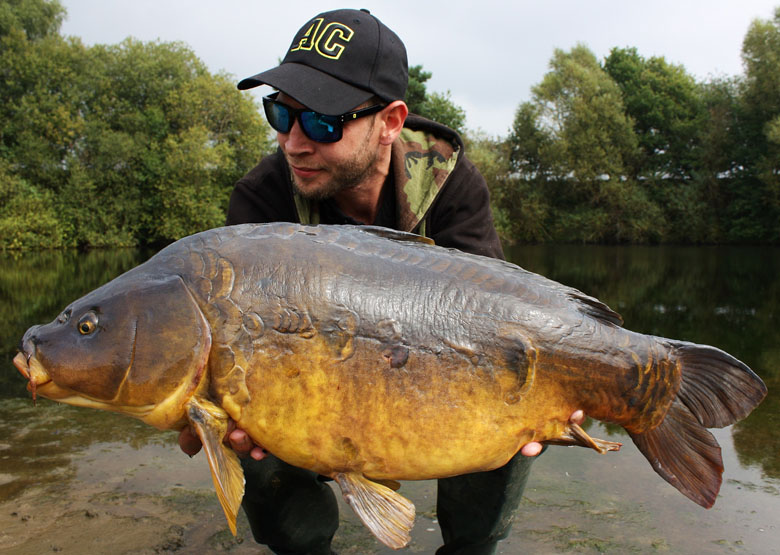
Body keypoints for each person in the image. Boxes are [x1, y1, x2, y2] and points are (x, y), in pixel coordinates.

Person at [179, 8, 582, 554]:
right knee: (258, 445)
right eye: (280, 113)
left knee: (508, 415)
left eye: (322, 121)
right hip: (306, 388)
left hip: (433, 382)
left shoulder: (450, 183)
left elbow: (495, 324)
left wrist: (559, 387)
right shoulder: (262, 200)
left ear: (390, 121)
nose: (294, 142)